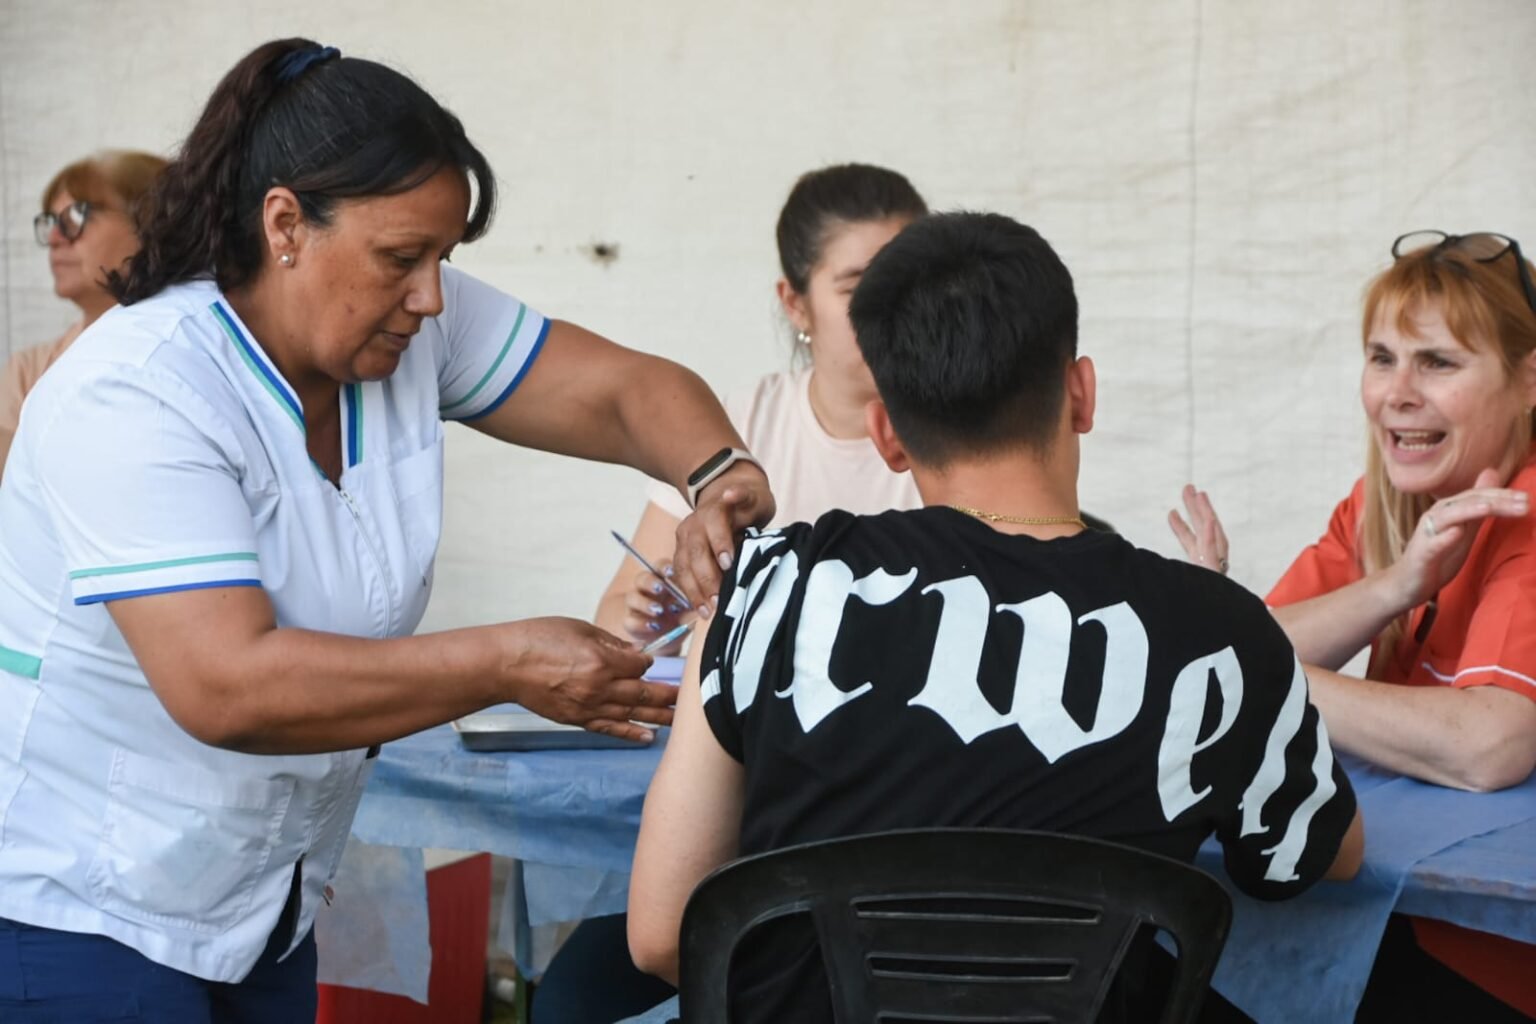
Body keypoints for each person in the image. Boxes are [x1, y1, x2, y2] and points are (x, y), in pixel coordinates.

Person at [0, 38, 774, 1022]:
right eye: (403, 258)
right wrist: (504, 660)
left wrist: (719, 474)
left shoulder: (405, 330)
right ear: (285, 223)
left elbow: (628, 392)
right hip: (81, 908)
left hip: (258, 905)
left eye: (444, 259)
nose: (432, 296)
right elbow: (226, 684)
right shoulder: (139, 391)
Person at [626, 212, 1363, 1023]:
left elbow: (664, 935)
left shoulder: (767, 586)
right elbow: (1319, 853)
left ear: (887, 435)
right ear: (1081, 393)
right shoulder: (1219, 632)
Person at [1170, 230, 1536, 1020]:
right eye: (1381, 357)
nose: (1397, 393)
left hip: (1492, 951)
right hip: (1393, 905)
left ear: (1530, 378)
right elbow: (1247, 647)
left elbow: (1491, 745)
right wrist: (1396, 585)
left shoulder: (1529, 507)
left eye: (1436, 361)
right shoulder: (1382, 501)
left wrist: (1262, 671)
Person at [593, 163, 930, 653]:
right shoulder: (734, 424)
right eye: (858, 287)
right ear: (795, 303)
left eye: (909, 282)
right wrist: (651, 620)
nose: (891, 310)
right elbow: (617, 621)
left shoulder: (964, 427)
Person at [0, 150, 167, 475]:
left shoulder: (197, 344)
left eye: (76, 216)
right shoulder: (27, 370)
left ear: (151, 220)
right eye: (50, 221)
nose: (54, 239)